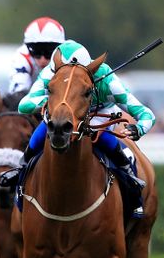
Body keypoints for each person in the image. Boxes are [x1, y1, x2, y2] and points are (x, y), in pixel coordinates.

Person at [8, 40, 155, 218]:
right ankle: (22, 171)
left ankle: (132, 186)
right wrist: (56, 102)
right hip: (62, 113)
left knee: (106, 140)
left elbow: (147, 115)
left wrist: (138, 128)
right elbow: (24, 105)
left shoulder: (107, 80)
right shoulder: (52, 71)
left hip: (97, 114)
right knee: (41, 134)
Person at [8, 17, 65, 95]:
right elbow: (18, 98)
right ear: (27, 48)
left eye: (49, 52)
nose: (42, 59)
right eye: (36, 51)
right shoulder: (21, 58)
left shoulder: (71, 55)